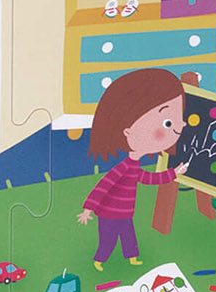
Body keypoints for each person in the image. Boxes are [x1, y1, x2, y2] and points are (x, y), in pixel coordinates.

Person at [77, 68, 185, 270]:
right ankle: (99, 260)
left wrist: (173, 173)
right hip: (109, 214)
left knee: (128, 236)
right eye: (167, 122)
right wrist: (88, 209)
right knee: (108, 239)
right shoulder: (122, 168)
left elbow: (149, 178)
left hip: (125, 213)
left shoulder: (134, 167)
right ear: (128, 131)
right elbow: (103, 187)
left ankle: (132, 257)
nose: (180, 127)